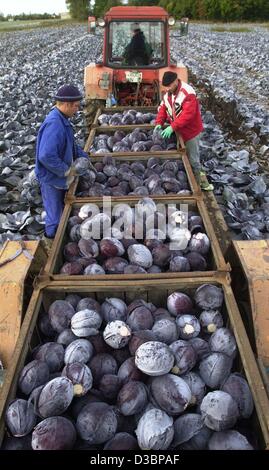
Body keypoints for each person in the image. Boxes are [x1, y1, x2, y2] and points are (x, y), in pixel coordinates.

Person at [35, 84, 89, 241]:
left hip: (59, 178)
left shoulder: (62, 119)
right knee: (55, 219)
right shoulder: (55, 124)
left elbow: (71, 145)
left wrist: (84, 157)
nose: (77, 110)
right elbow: (45, 156)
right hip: (51, 180)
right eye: (76, 107)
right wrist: (66, 171)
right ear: (66, 104)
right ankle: (51, 243)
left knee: (60, 212)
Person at [154, 71, 214, 191]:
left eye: (170, 85)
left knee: (193, 159)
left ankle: (198, 185)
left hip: (191, 131)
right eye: (166, 86)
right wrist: (159, 123)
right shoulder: (168, 94)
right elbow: (163, 109)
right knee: (184, 154)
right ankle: (192, 177)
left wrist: (172, 127)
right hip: (179, 130)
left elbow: (188, 115)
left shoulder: (187, 93)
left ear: (176, 81)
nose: (168, 88)